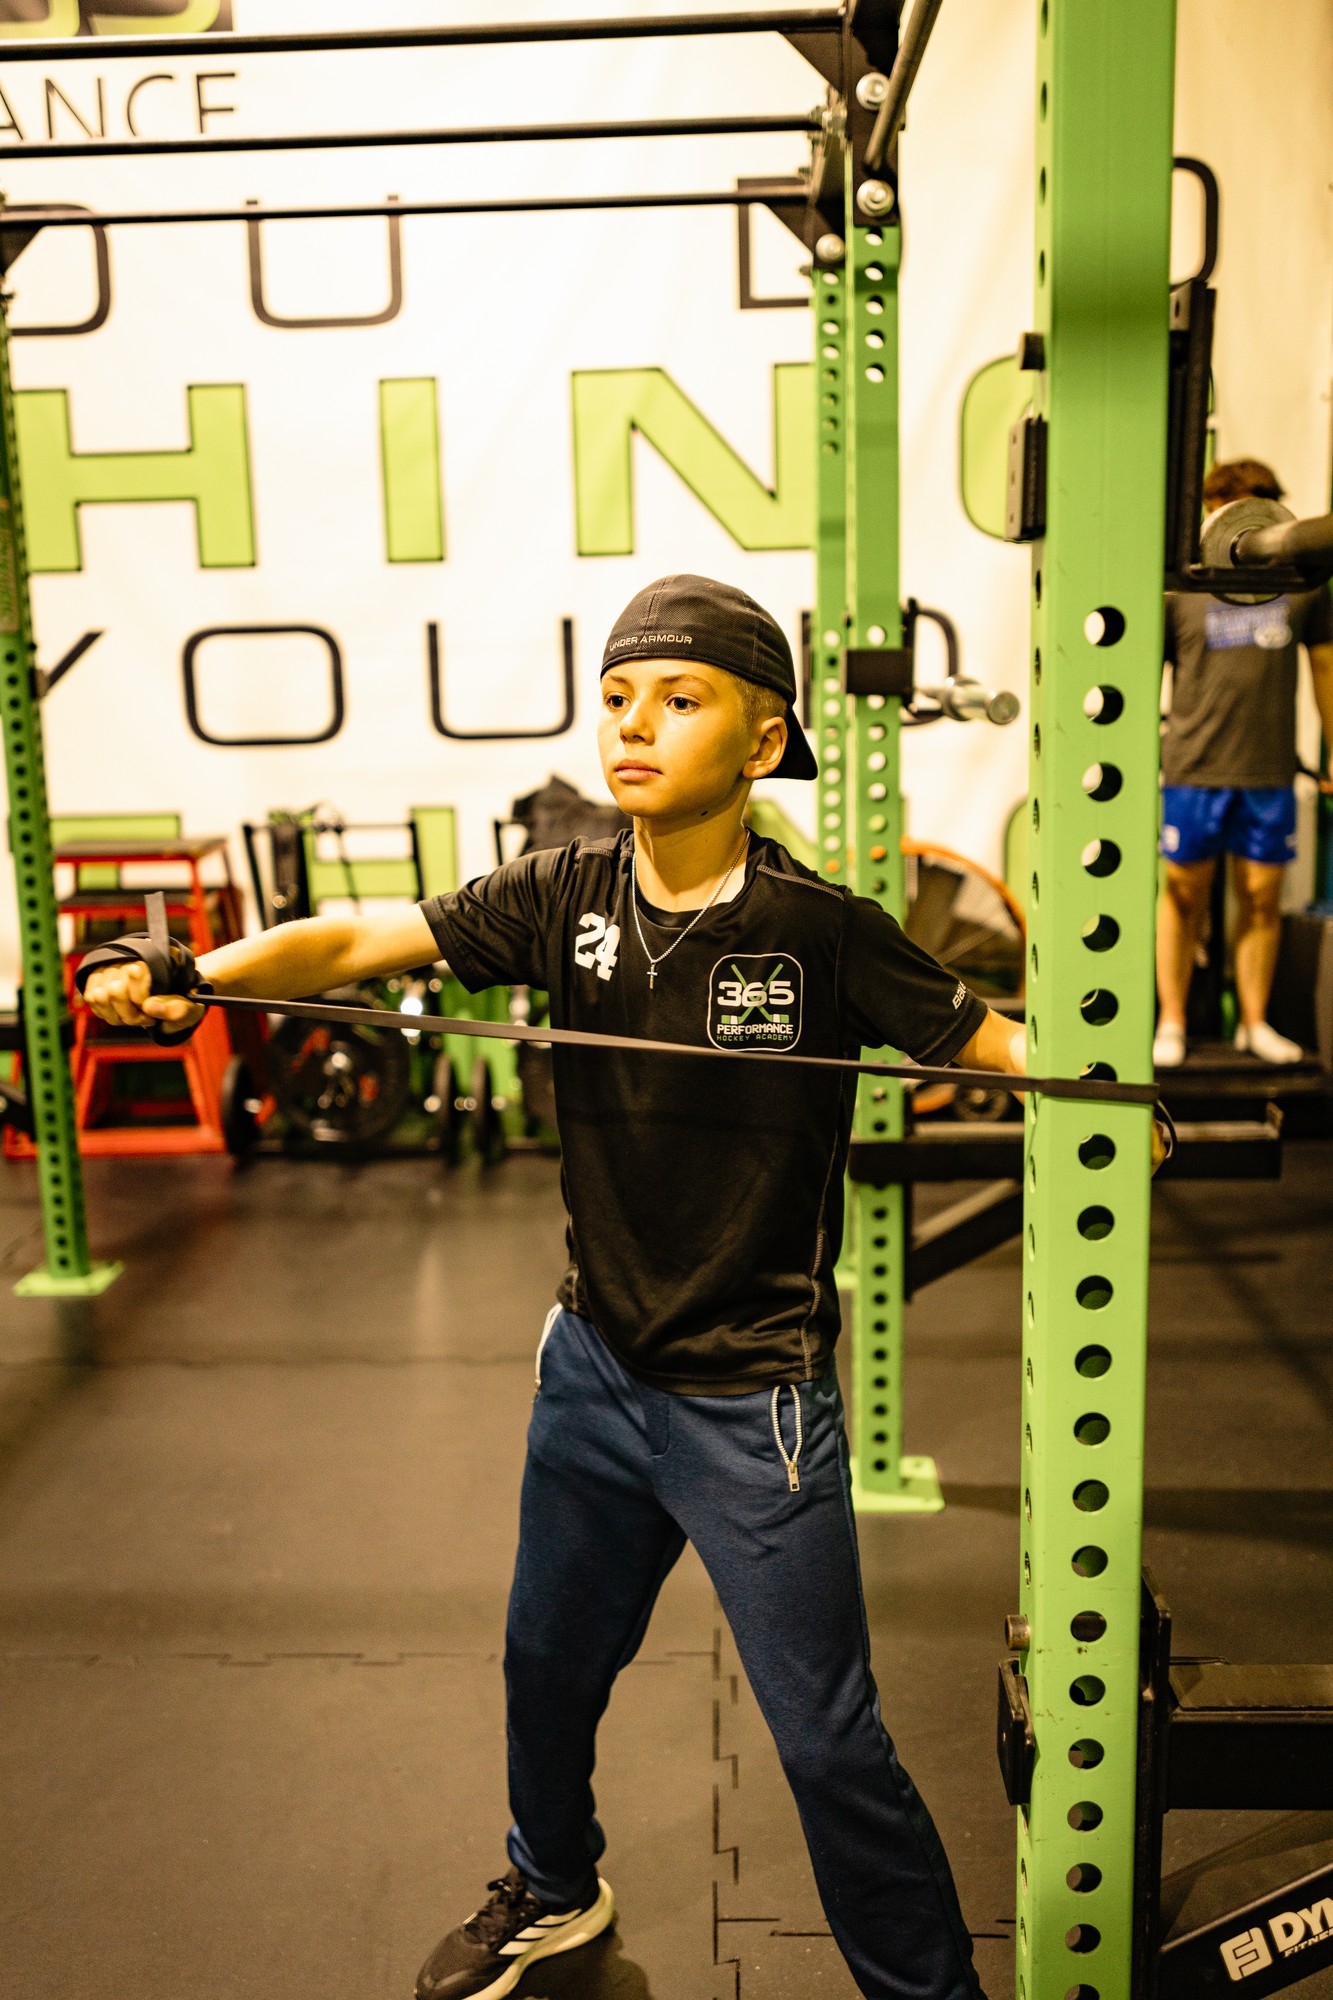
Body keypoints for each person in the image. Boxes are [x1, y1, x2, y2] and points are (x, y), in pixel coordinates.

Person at [82, 576, 1044, 2000]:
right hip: (593, 1369)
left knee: (828, 1745)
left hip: (753, 1405)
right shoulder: (561, 893)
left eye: (678, 699)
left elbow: (978, 1034)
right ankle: (552, 1886)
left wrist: (1092, 1084)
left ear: (762, 740)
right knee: (545, 1665)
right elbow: (352, 941)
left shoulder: (820, 929)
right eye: (615, 698)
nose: (632, 726)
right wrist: (189, 967)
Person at [1154, 458, 1333, 1068]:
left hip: (1268, 770)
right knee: (1183, 895)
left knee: (1260, 897)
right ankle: (1172, 1021)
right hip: (1192, 769)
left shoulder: (1304, 583)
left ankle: (1253, 1023)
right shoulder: (1179, 587)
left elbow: (1326, 668)